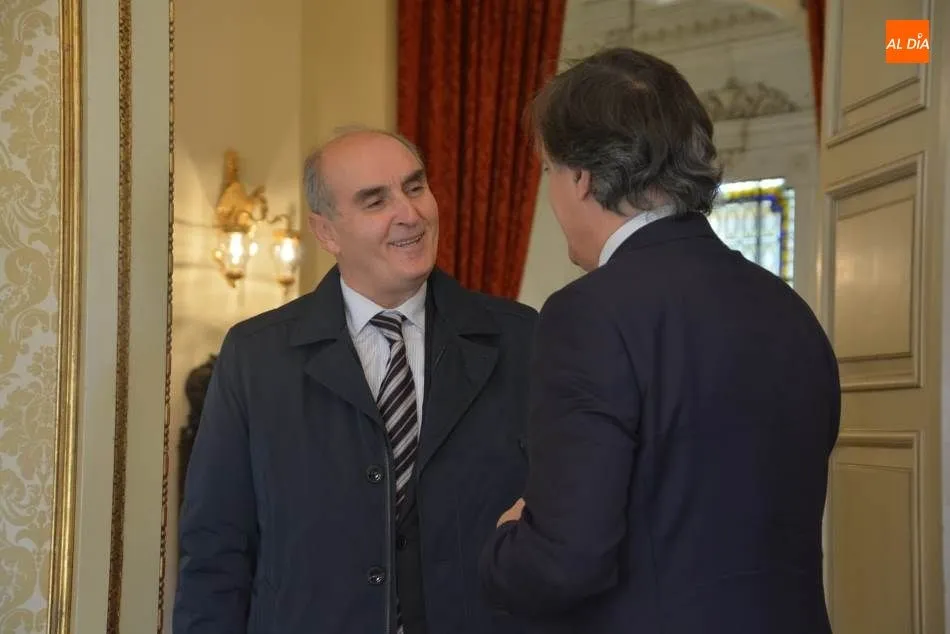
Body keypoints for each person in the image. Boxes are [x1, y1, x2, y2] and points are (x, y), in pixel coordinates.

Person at [479, 47, 840, 634]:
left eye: (548, 170)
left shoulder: (587, 315)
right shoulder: (788, 308)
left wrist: (506, 542)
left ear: (580, 177)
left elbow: (564, 562)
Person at [174, 127, 538, 634]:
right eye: (375, 201)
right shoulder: (256, 356)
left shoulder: (521, 339)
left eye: (415, 187)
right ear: (326, 233)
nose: (409, 213)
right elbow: (216, 550)